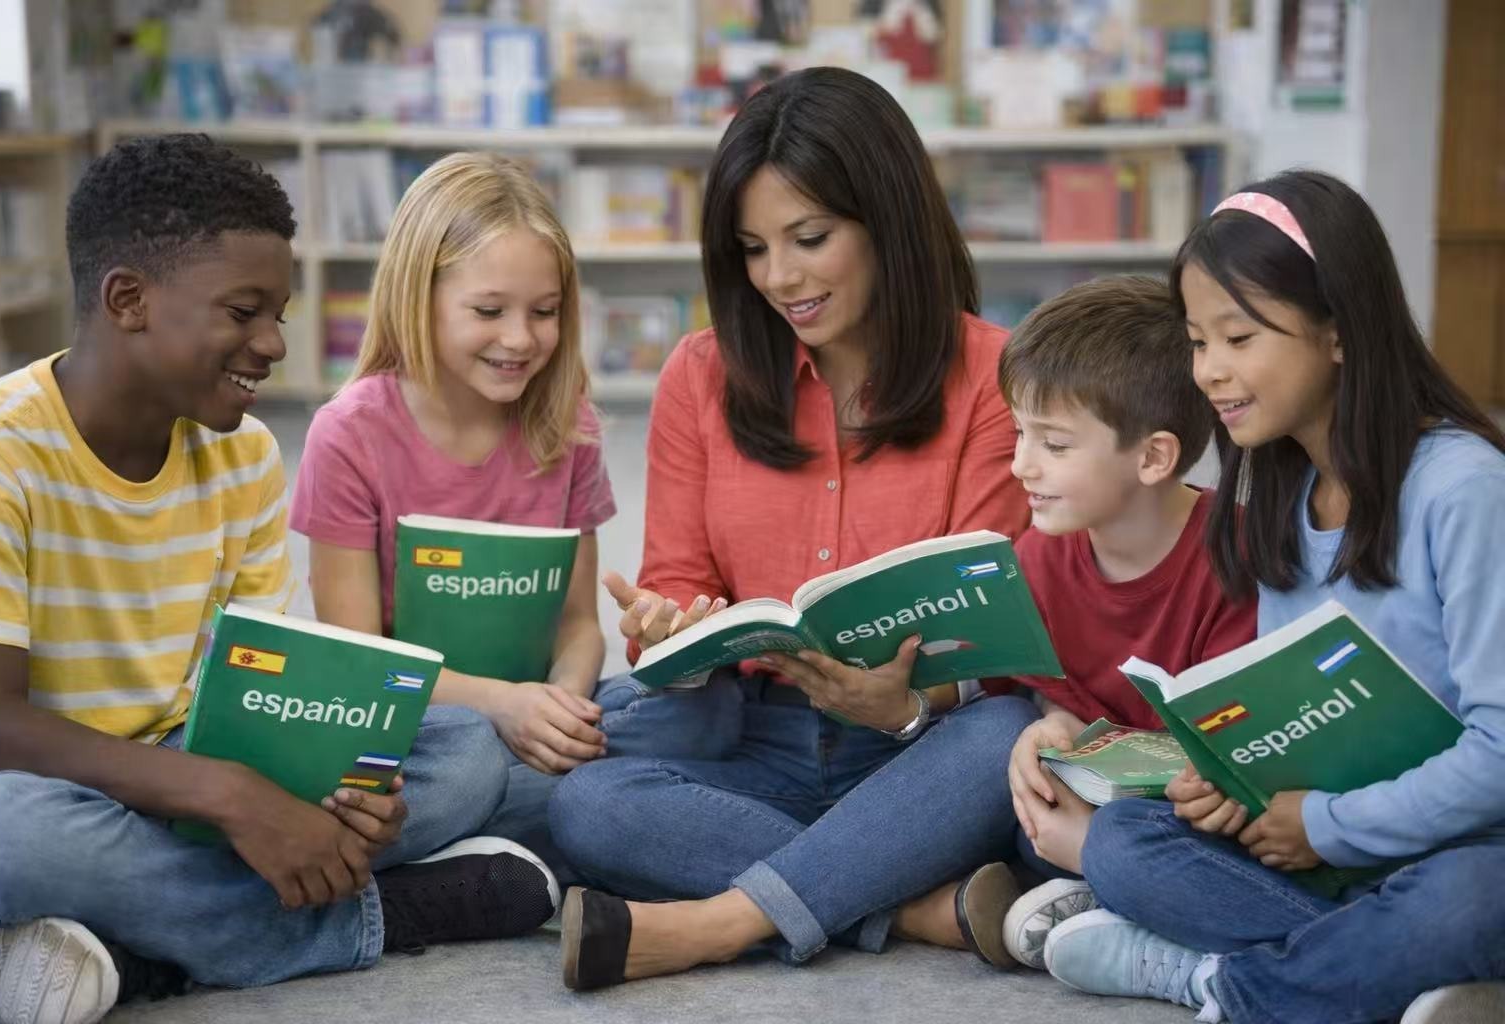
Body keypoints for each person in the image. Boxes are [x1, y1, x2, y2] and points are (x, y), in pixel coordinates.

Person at [0, 135, 555, 1024]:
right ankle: (377, 919)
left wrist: (331, 792)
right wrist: (233, 798)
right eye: (244, 311)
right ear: (127, 299)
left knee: (467, 753)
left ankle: (134, 943)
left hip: (189, 767)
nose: (274, 343)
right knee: (0, 833)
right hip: (59, 782)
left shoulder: (242, 454)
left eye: (276, 311)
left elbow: (253, 691)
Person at [547, 66, 1038, 990]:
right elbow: (679, 584)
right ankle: (908, 903)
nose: (781, 278)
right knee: (590, 805)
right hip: (752, 738)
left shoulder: (994, 376)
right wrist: (670, 631)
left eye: (809, 239)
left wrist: (900, 706)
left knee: (1008, 733)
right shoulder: (700, 376)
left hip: (922, 749)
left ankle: (715, 925)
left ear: (887, 219)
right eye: (754, 248)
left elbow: (995, 640)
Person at [1040, 171, 1505, 1024]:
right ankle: (1390, 973)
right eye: (1197, 341)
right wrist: (1228, 787)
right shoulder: (1283, 501)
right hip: (1330, 855)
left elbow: (1502, 750)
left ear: (1336, 330)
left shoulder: (1463, 489)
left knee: (1469, 901)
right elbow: (1288, 726)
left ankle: (1214, 983)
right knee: (1124, 840)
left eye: (1239, 337)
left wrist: (1326, 825)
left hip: (1461, 849)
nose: (1211, 372)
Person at [290, 152, 733, 876]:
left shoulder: (569, 427)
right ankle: (543, 832)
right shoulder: (350, 434)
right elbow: (359, 665)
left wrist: (558, 711)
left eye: (545, 312)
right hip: (417, 729)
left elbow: (579, 628)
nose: (521, 338)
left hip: (530, 717)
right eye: (489, 311)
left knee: (710, 712)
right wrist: (503, 706)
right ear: (417, 297)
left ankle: (480, 842)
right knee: (466, 762)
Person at [889, 275, 1256, 970]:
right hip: (1102, 804)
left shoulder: (1234, 557)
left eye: (1054, 445)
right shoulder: (1040, 557)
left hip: (1203, 818)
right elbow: (1057, 688)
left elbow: (1240, 755)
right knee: (1023, 805)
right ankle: (1101, 895)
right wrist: (1051, 726)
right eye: (1020, 433)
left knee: (1123, 842)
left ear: (1153, 457)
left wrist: (1111, 827)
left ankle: (1126, 913)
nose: (1022, 465)